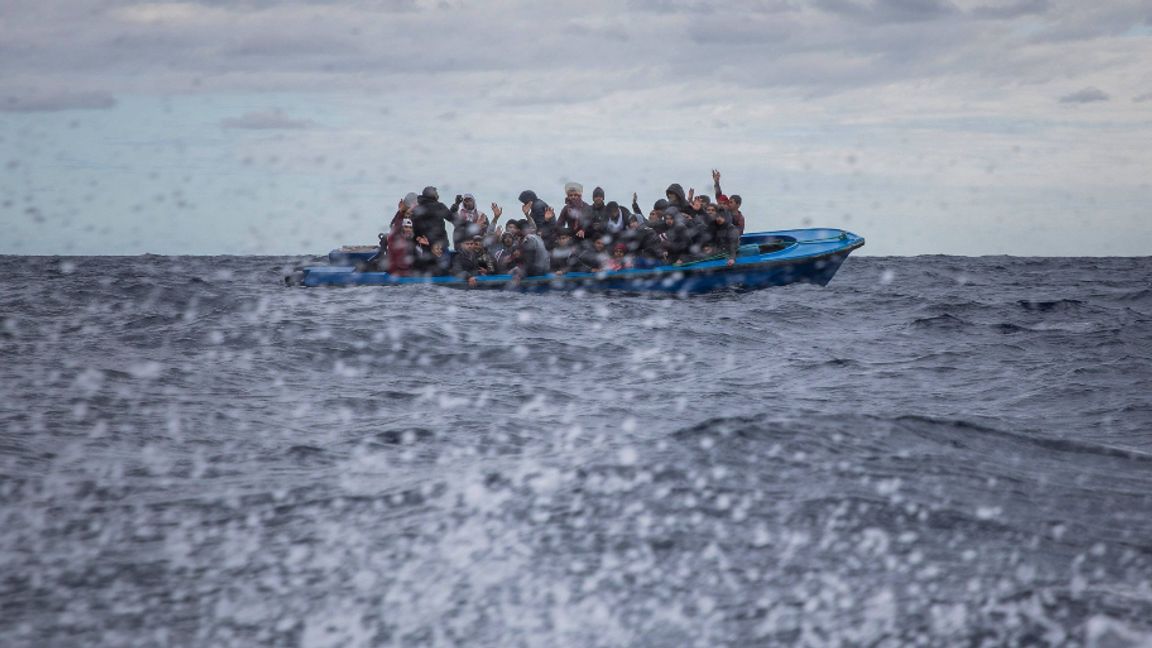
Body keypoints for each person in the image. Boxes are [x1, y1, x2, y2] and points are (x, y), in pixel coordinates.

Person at [712, 169, 745, 234]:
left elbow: (738, 231)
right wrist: (716, 182)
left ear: (738, 205)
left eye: (731, 202)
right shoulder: (724, 211)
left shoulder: (740, 218)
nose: (728, 204)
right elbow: (718, 195)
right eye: (729, 202)